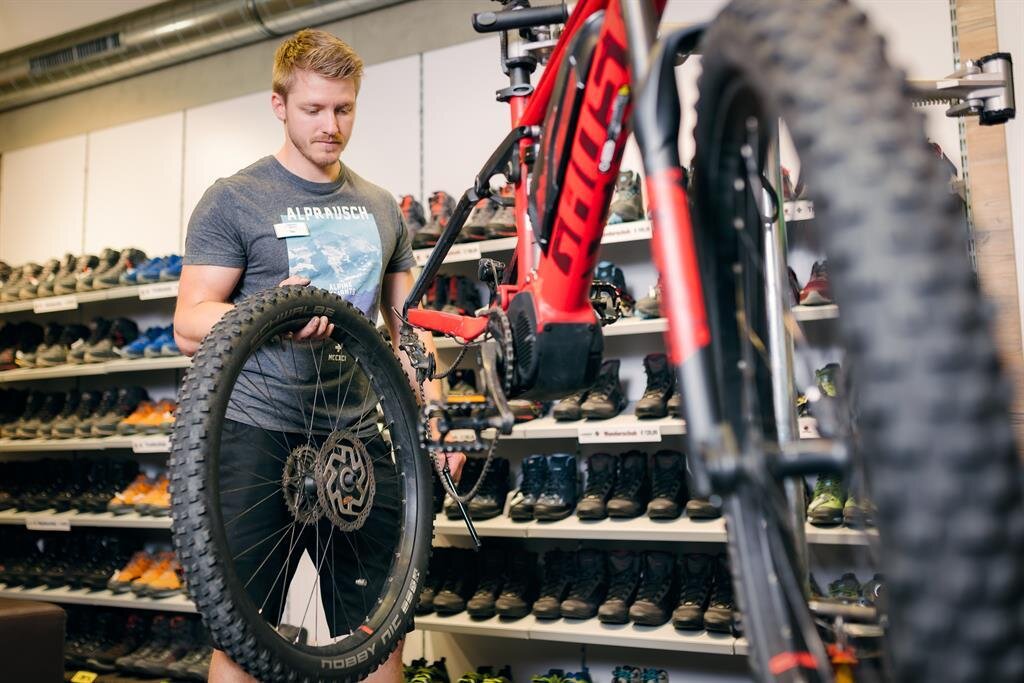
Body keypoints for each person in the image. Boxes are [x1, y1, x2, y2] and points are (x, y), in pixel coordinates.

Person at [174, 28, 463, 683]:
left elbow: (408, 331)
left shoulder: (380, 207)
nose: (331, 125)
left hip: (355, 436)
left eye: (343, 109)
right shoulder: (235, 198)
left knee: (382, 631)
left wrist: (438, 419)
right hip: (256, 432)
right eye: (313, 109)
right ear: (279, 105)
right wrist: (270, 314)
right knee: (242, 634)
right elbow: (189, 322)